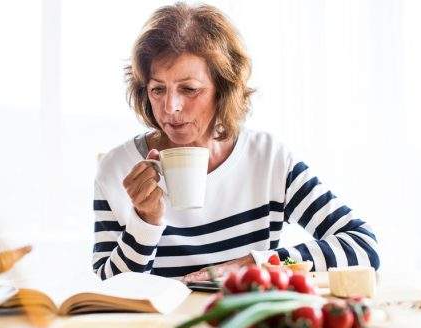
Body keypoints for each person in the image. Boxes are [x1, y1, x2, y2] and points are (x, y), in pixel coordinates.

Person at [93, 2, 379, 283]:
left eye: (189, 89)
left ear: (224, 90)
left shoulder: (268, 160)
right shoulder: (117, 169)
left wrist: (257, 264)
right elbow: (107, 294)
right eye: (158, 89)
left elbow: (362, 246)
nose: (170, 107)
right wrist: (145, 222)